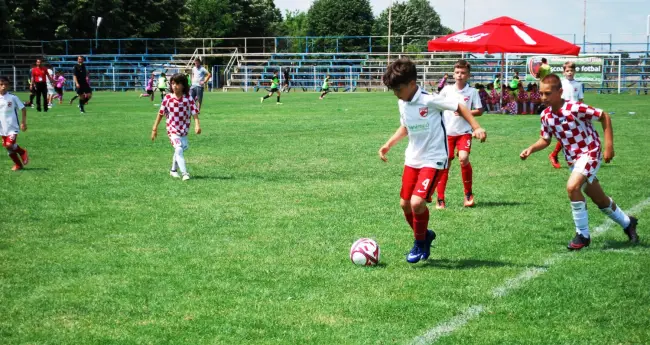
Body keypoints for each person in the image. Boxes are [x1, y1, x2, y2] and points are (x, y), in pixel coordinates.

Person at [378, 57, 486, 263]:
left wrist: (476, 127)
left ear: (411, 84)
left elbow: (461, 106)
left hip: (435, 158)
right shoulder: (403, 102)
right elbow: (406, 126)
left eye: (398, 89)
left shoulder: (430, 100)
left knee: (417, 202)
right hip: (413, 158)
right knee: (405, 204)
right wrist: (389, 144)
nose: (396, 95)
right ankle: (425, 235)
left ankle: (419, 243)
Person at [520, 74, 638, 250]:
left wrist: (609, 146)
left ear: (559, 92)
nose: (543, 97)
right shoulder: (545, 115)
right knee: (600, 199)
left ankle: (582, 235)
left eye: (547, 93)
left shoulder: (575, 108)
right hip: (573, 159)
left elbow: (604, 116)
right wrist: (531, 149)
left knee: (572, 187)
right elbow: (545, 139)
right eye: (541, 93)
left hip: (590, 152)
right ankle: (628, 223)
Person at [435, 59, 484, 209]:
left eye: (463, 73)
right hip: (447, 133)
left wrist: (464, 113)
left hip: (464, 132)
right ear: (453, 74)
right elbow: (437, 105)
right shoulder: (447, 90)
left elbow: (480, 111)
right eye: (457, 72)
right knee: (446, 163)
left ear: (468, 75)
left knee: (463, 158)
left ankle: (468, 194)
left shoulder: (472, 92)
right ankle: (440, 198)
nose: (459, 75)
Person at [151, 74, 201, 181]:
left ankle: (173, 170)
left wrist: (197, 125)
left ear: (183, 85)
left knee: (179, 150)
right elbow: (160, 114)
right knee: (178, 148)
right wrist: (154, 128)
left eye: (177, 84)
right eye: (173, 83)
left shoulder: (188, 98)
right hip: (172, 129)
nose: (175, 86)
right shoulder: (168, 98)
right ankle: (185, 173)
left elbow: (194, 113)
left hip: (183, 130)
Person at [549, 61, 585, 169]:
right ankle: (557, 155)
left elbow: (581, 99)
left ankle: (557, 155)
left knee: (572, 135)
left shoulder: (578, 85)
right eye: (567, 71)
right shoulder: (561, 84)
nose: (569, 73)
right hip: (563, 112)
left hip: (575, 113)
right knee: (566, 135)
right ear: (563, 72)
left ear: (574, 71)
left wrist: (582, 112)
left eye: (571, 70)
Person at [0, 76, 29, 171]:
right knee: (8, 148)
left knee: (9, 145)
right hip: (2, 129)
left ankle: (22, 152)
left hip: (12, 127)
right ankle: (18, 165)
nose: (3, 86)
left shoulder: (13, 97)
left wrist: (23, 122)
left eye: (6, 84)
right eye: (1, 84)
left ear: (8, 85)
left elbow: (23, 109)